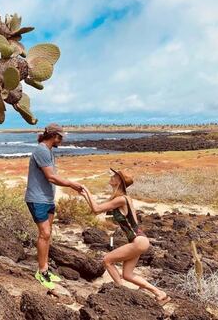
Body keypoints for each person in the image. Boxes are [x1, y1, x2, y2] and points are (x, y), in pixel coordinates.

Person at [79, 168, 171, 305]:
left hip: (138, 241)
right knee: (128, 274)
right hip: (139, 240)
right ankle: (160, 294)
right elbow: (97, 211)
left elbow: (96, 209)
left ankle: (121, 292)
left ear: (119, 181)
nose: (112, 177)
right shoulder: (123, 199)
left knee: (107, 260)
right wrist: (85, 196)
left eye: (115, 176)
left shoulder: (121, 199)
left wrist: (86, 190)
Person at [25, 123, 83, 289]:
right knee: (45, 233)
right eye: (61, 137)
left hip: (47, 199)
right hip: (37, 199)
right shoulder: (42, 150)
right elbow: (51, 177)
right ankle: (41, 272)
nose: (62, 140)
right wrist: (71, 184)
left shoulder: (48, 150)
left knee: (47, 235)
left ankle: (45, 269)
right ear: (54, 136)